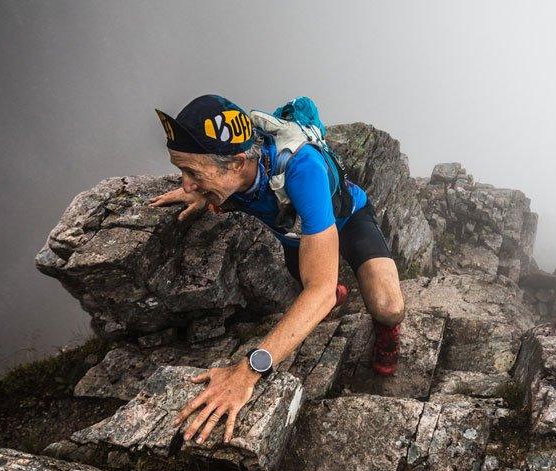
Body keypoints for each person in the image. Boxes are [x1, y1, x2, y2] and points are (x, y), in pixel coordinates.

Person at [150, 94, 405, 445]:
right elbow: (218, 180)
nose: (185, 183)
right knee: (312, 292)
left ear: (238, 163)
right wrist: (204, 192)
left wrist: (246, 371)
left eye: (192, 173)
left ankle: (385, 331)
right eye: (182, 171)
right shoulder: (232, 172)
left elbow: (320, 290)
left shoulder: (303, 171)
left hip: (347, 220)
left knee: (387, 307)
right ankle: (330, 290)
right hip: (296, 233)